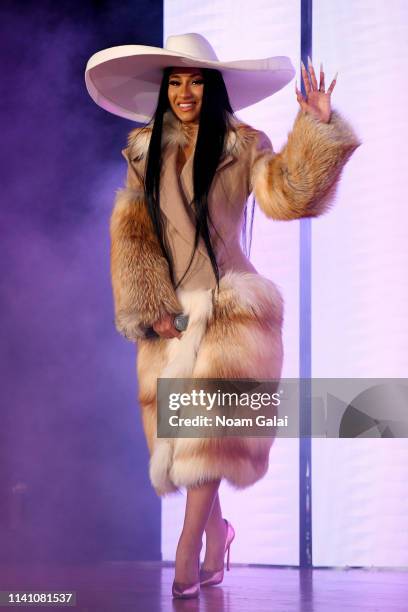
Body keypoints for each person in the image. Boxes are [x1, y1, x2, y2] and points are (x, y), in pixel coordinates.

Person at [85, 32, 361, 599]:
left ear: (214, 88)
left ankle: (187, 549)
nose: (186, 92)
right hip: (168, 317)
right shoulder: (143, 151)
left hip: (232, 311)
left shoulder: (243, 143)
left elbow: (288, 195)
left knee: (207, 435)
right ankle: (218, 534)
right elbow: (132, 233)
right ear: (166, 90)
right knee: (183, 441)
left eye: (198, 80)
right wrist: (149, 308)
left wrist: (317, 128)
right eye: (177, 81)